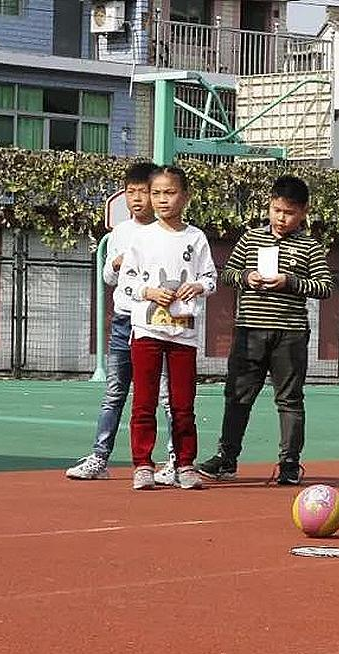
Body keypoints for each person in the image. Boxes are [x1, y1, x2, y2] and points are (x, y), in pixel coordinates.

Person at [197, 176, 333, 485]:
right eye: (276, 210)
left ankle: (289, 463)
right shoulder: (249, 239)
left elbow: (325, 287)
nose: (282, 218)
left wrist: (290, 282)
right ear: (268, 206)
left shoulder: (310, 246)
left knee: (289, 400)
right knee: (237, 397)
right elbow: (228, 274)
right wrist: (248, 278)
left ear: (304, 212)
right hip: (249, 330)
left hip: (291, 334)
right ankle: (226, 458)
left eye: (289, 212)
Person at [66, 162, 176, 483]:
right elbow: (108, 277)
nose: (137, 199)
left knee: (164, 394)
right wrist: (114, 263)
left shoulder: (167, 233)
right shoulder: (120, 232)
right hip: (123, 322)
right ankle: (99, 458)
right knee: (115, 391)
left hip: (155, 322)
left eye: (143, 192)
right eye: (131, 192)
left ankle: (174, 459)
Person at [117, 166, 217, 490]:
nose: (162, 200)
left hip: (183, 333)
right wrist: (149, 292)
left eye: (170, 192)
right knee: (144, 401)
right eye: (156, 193)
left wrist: (198, 287)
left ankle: (185, 464)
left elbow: (211, 279)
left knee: (183, 402)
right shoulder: (140, 237)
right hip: (146, 329)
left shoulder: (196, 237)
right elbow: (126, 284)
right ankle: (142, 464)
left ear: (184, 196)